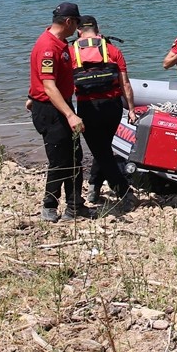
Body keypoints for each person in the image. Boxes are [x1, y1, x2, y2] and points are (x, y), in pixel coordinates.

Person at [27, 2, 88, 222]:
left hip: (58, 104)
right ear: (69, 21)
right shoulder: (48, 47)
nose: (78, 29)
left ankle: (75, 205)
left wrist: (30, 94)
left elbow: (42, 78)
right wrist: (70, 115)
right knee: (59, 160)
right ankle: (49, 206)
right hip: (51, 109)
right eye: (77, 23)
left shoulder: (60, 43)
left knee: (75, 156)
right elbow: (48, 86)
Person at [70, 15, 136, 211]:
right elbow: (125, 84)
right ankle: (94, 187)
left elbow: (63, 83)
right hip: (113, 107)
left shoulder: (71, 51)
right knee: (104, 148)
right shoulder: (113, 50)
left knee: (101, 151)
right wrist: (131, 109)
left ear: (78, 31)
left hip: (88, 107)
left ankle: (124, 192)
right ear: (98, 30)